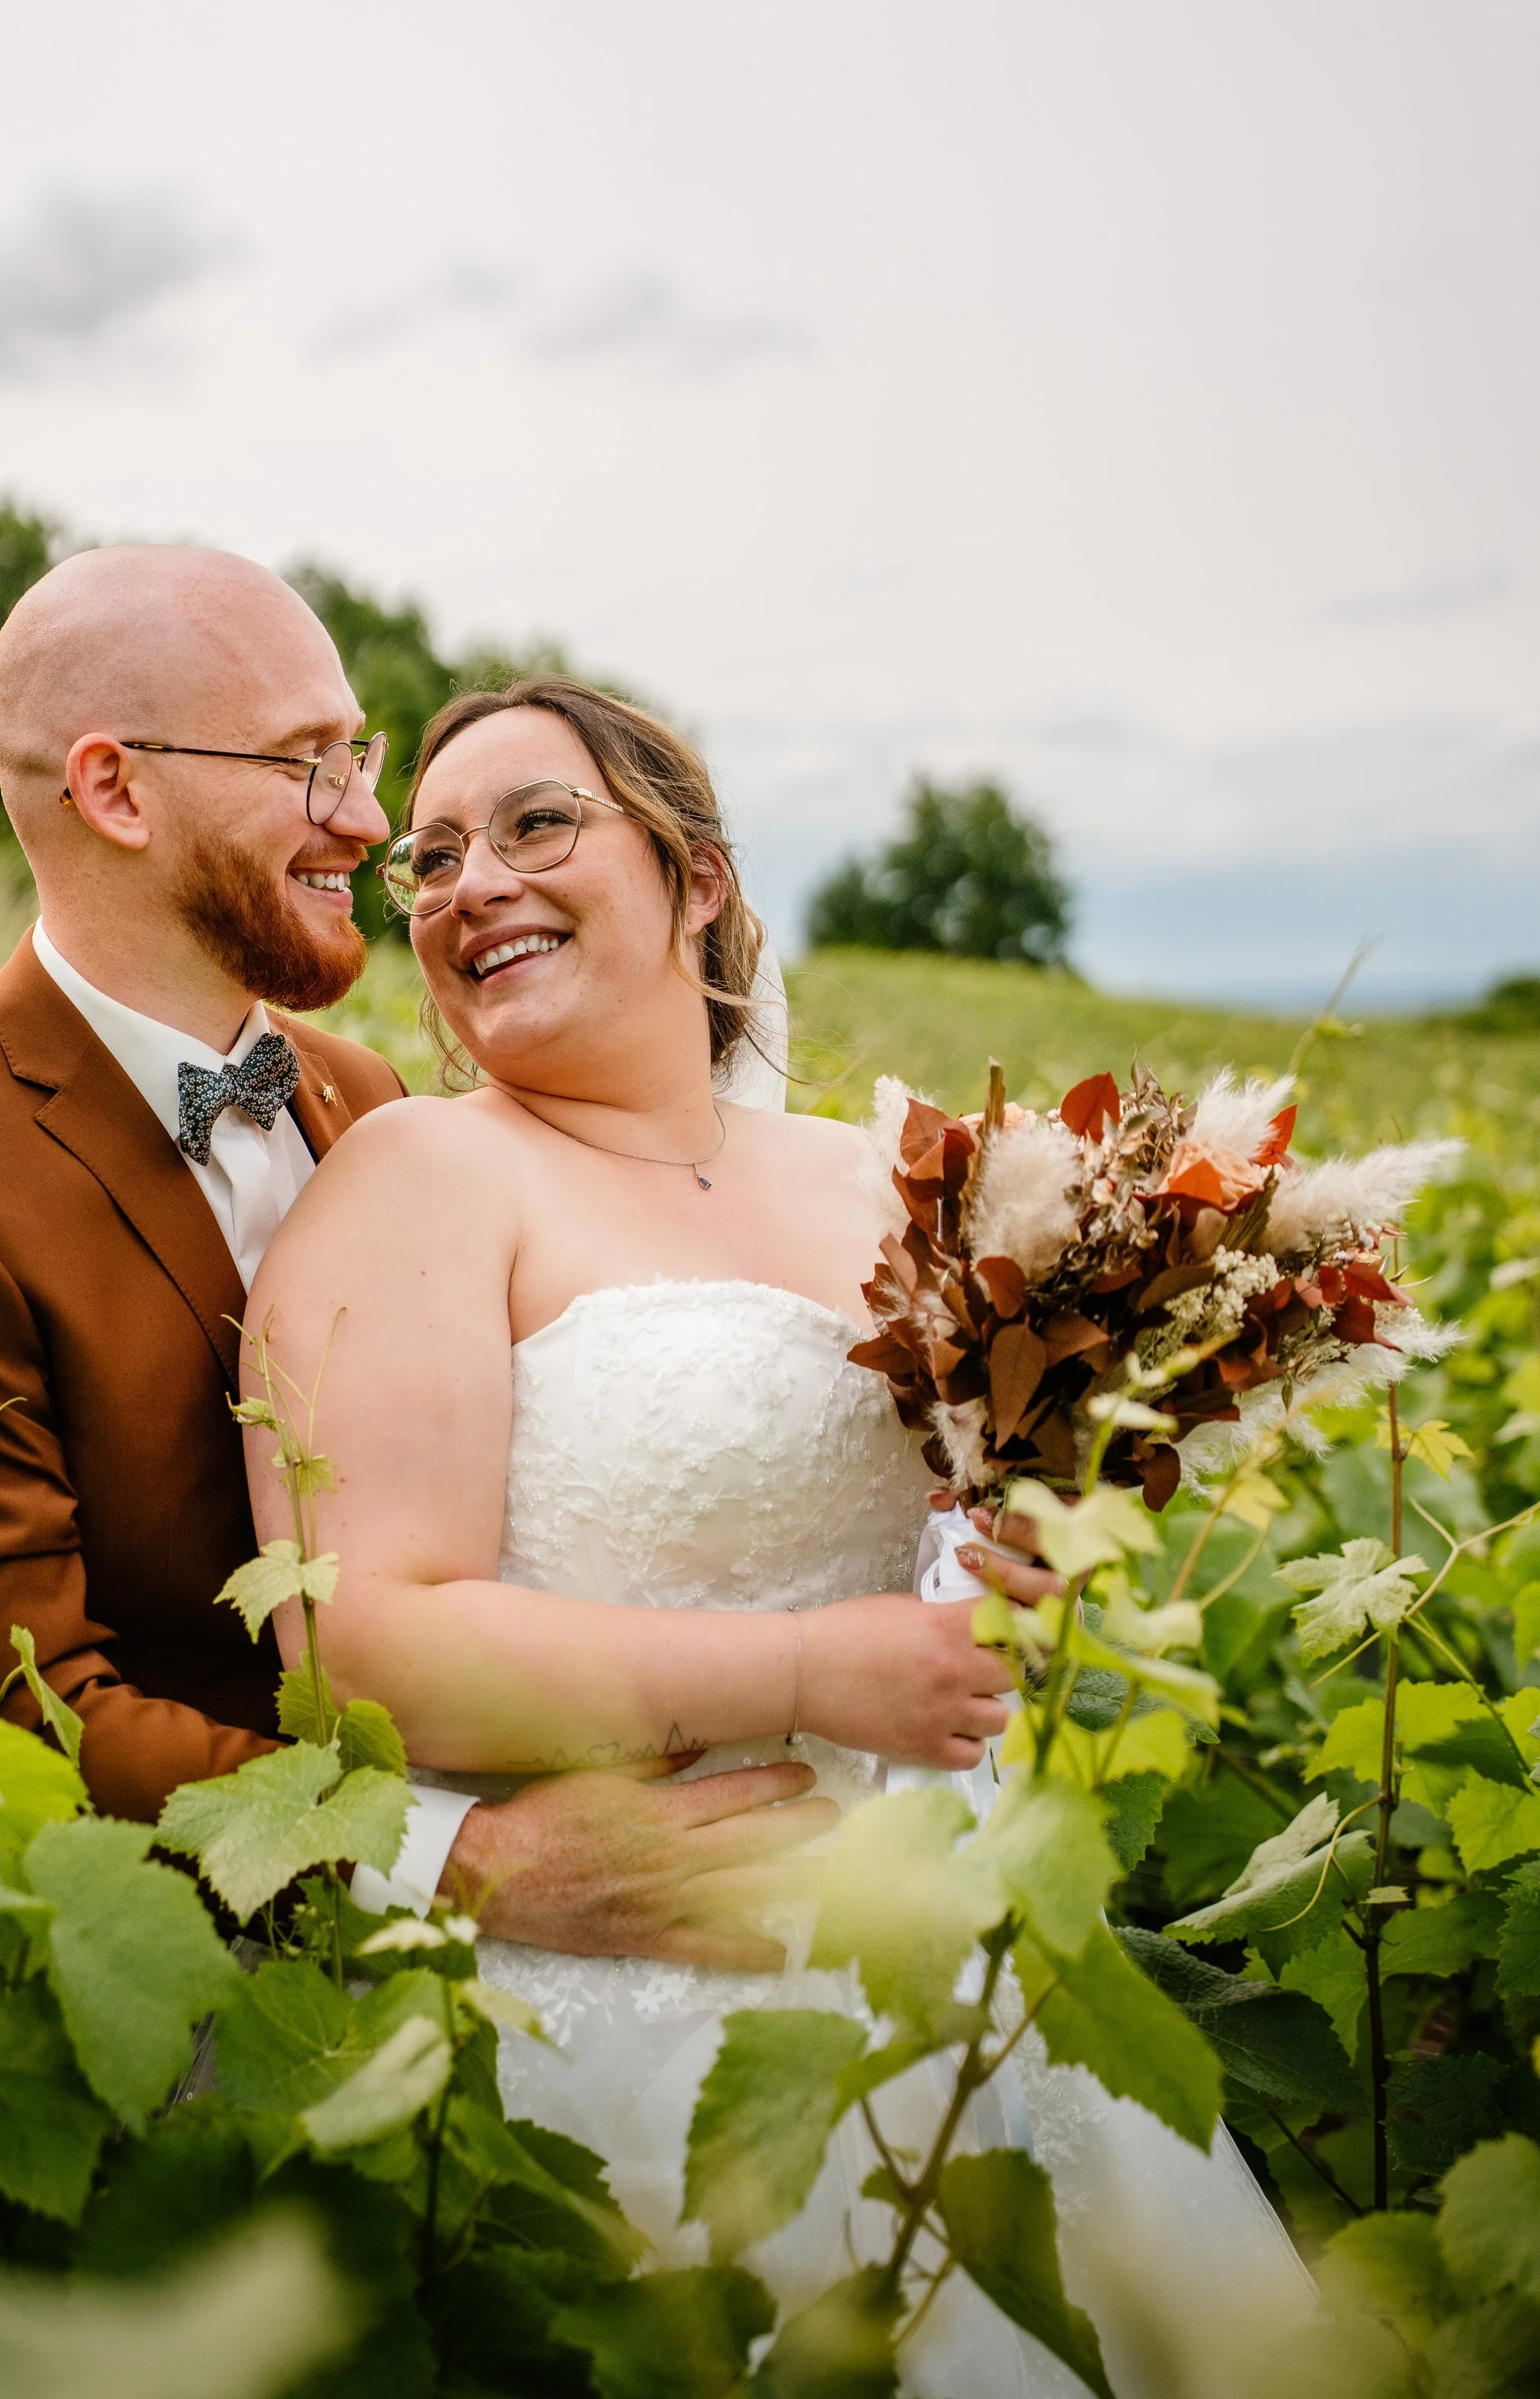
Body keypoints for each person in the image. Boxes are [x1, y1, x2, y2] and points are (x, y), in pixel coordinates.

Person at [243, 676, 1316, 2394]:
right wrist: (816, 1667)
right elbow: (360, 1643)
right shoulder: (421, 1178)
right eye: (428, 858)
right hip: (648, 1984)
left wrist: (1020, 1556)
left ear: (699, 877)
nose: (466, 884)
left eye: (535, 823)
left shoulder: (882, 1175)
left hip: (954, 1951)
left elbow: (959, 1507)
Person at [0, 546, 875, 1962]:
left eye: (361, 754)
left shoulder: (370, 1099)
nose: (365, 819)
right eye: (307, 763)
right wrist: (451, 1862)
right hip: (171, 1975)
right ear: (115, 791)